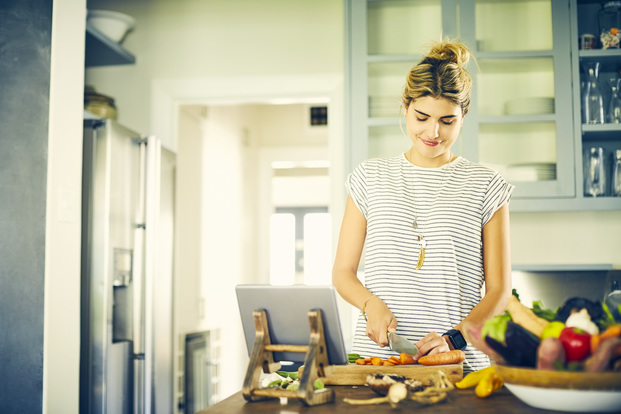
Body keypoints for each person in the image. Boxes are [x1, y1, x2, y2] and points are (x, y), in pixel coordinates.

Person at [332, 39, 513, 373]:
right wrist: (370, 304)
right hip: (378, 362)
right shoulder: (369, 177)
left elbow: (499, 291)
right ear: (405, 106)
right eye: (422, 117)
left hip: (458, 365)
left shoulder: (487, 185)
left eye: (447, 120)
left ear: (463, 116)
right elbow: (343, 273)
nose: (433, 132)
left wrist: (455, 338)